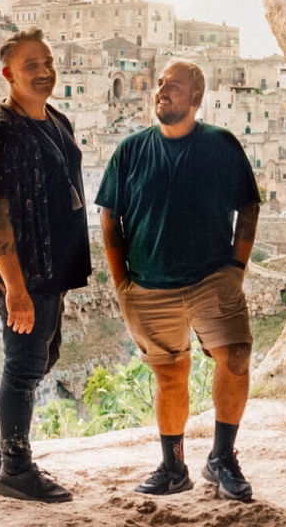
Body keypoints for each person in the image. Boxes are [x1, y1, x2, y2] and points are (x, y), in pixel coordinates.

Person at [96, 59, 261, 502]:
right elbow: (110, 217)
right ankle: (173, 468)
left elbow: (248, 204)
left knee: (236, 356)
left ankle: (222, 458)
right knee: (170, 376)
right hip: (148, 286)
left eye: (174, 85)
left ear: (196, 98)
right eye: (160, 84)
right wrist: (122, 284)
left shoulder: (220, 145)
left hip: (212, 279)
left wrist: (237, 268)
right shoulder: (131, 150)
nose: (162, 90)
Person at [0, 29, 91, 503]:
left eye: (47, 62)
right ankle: (15, 469)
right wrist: (14, 289)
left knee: (44, 356)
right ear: (8, 75)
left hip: (55, 267)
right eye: (30, 65)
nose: (43, 72)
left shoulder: (55, 119)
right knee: (23, 367)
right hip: (26, 271)